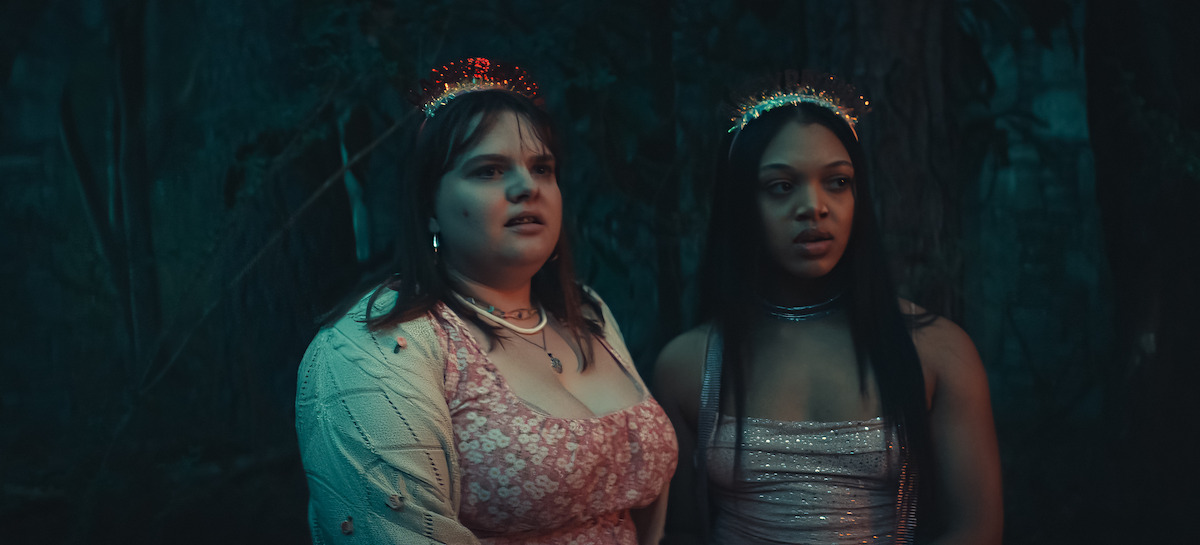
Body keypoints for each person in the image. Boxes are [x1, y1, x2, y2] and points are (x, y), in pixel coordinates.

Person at [296, 58, 677, 544]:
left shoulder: (585, 311)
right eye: (489, 170)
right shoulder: (375, 347)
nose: (527, 188)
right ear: (428, 207)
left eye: (542, 168)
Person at [654, 71, 1002, 544]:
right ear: (741, 203)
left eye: (837, 182)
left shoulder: (936, 351)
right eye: (781, 187)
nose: (813, 207)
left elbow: (976, 528)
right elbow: (678, 533)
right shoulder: (689, 365)